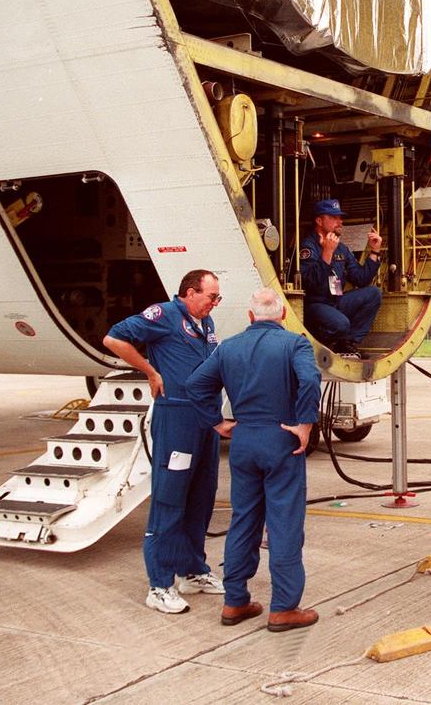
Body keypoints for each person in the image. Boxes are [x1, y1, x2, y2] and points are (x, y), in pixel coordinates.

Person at [185, 288, 322, 631]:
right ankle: (284, 608)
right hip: (281, 439)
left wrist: (217, 422)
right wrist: (304, 424)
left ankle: (235, 602)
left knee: (243, 520)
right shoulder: (295, 344)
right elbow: (310, 379)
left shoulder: (228, 347)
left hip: (244, 439)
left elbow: (195, 384)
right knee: (284, 523)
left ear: (250, 317)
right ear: (282, 316)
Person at [102, 269, 226, 614]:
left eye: (218, 298)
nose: (214, 304)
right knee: (170, 499)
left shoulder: (206, 323)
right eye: (210, 296)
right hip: (177, 417)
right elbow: (114, 339)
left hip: (206, 418)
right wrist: (150, 371)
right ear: (189, 292)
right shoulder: (164, 315)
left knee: (202, 495)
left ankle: (192, 570)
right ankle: (159, 584)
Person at [298, 198, 383, 357]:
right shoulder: (308, 246)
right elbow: (310, 282)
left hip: (335, 301)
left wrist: (375, 251)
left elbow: (361, 278)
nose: (340, 221)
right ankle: (315, 340)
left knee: (373, 293)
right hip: (315, 304)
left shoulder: (341, 248)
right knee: (340, 324)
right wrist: (327, 253)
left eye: (340, 217)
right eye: (334, 217)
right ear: (319, 221)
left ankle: (347, 343)